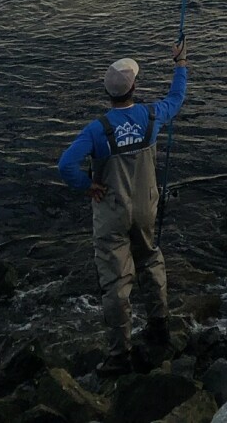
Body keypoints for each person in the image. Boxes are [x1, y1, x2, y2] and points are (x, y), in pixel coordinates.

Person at [57, 39, 188, 375]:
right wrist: (180, 65)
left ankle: (119, 355)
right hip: (146, 207)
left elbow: (65, 165)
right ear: (135, 88)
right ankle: (159, 326)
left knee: (116, 281)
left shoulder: (97, 129)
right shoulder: (151, 115)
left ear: (108, 93)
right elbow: (176, 99)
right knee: (150, 259)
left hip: (111, 210)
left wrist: (89, 186)